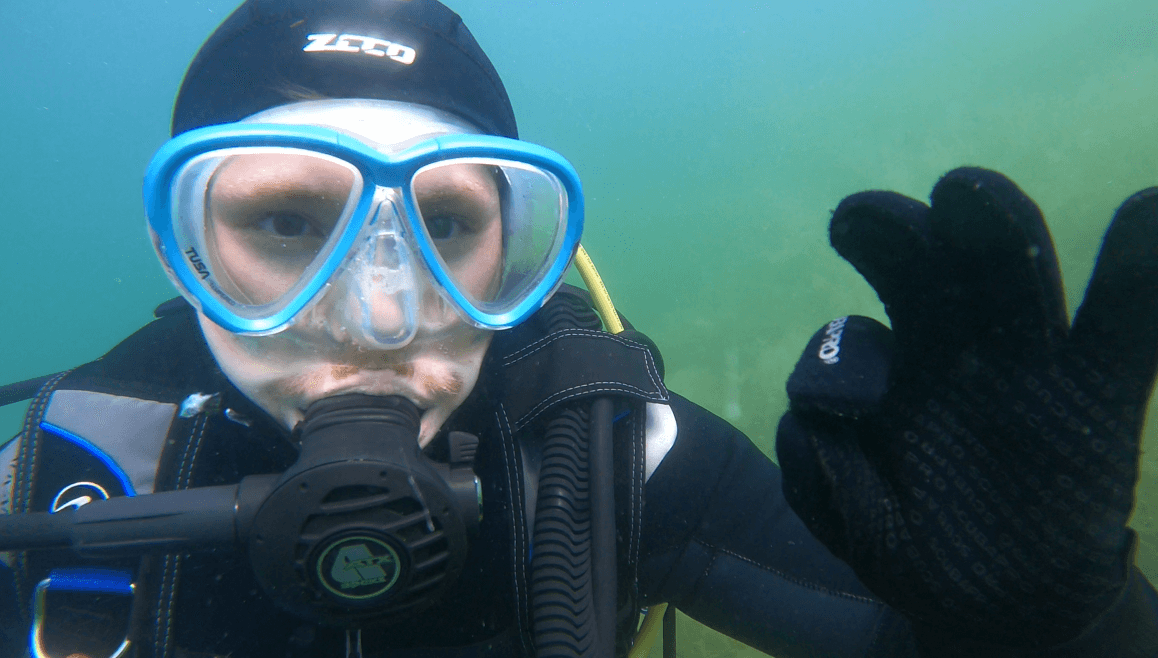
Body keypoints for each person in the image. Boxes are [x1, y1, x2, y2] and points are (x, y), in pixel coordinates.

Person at [1, 1, 1156, 657]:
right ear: (184, 251)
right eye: (290, 220)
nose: (385, 314)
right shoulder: (53, 489)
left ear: (514, 239)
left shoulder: (609, 454)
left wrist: (1067, 614)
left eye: (447, 221)